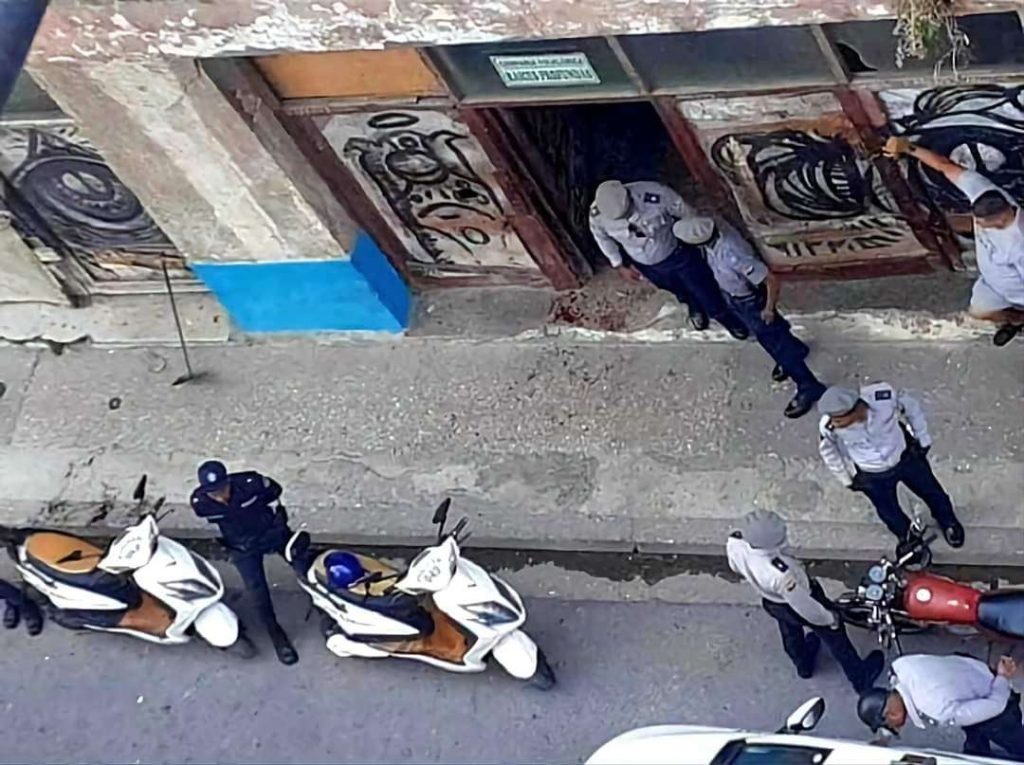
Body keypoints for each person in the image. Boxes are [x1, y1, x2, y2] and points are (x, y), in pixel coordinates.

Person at [674, 216, 826, 419]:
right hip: (735, 295)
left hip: (750, 301)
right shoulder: (716, 233)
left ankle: (808, 386)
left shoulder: (732, 255)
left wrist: (768, 309)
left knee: (773, 344)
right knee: (776, 336)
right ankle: (796, 348)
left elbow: (770, 280)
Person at [884, 137, 1024, 347]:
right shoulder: (984, 192)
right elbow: (945, 166)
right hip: (991, 284)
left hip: (1016, 292)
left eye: (983, 224)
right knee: (980, 313)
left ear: (1002, 220)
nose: (978, 224)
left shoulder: (1020, 243)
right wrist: (908, 147)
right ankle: (1017, 321)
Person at [726, 509, 884, 692]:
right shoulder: (780, 574)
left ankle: (803, 666)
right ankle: (860, 677)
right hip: (796, 601)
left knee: (790, 632)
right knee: (836, 638)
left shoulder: (736, 543)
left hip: (771, 601)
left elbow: (735, 567)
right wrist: (828, 618)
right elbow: (806, 607)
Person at [588, 179, 749, 337]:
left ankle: (727, 319)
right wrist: (619, 265)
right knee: (677, 290)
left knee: (705, 291)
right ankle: (694, 307)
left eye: (627, 212)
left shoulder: (656, 194)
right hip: (647, 264)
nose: (625, 218)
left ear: (629, 197)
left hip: (678, 254)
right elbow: (603, 238)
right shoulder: (597, 215)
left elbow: (688, 214)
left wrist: (695, 237)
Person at [817, 382, 965, 551]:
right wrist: (845, 478)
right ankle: (907, 538)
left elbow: (911, 408)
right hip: (872, 473)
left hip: (905, 457)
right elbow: (828, 451)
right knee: (888, 510)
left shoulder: (882, 397)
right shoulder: (828, 426)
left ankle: (948, 521)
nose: (835, 424)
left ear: (855, 410)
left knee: (932, 491)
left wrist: (922, 438)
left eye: (839, 420)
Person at [190, 460, 307, 665]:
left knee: (305, 566)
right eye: (213, 493)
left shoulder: (251, 483)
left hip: (271, 534)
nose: (219, 496)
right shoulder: (201, 503)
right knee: (257, 591)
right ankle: (276, 634)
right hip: (242, 546)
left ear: (228, 481)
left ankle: (330, 610)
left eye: (221, 489)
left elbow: (275, 491)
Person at [858, 653, 1024, 760]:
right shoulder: (900, 666)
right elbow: (890, 707)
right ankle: (977, 755)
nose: (893, 728)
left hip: (995, 701)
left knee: (1018, 745)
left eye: (888, 725)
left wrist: (1003, 677)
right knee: (974, 745)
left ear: (891, 715)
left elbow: (995, 705)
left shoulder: (936, 708)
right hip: (972, 673)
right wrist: (884, 739)